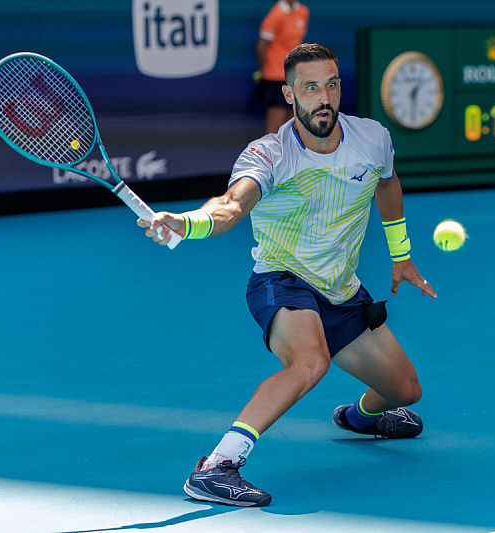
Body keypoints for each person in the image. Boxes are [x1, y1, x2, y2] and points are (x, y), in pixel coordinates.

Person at [139, 43, 437, 507]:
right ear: (290, 94)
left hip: (342, 292)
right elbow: (231, 206)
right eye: (311, 87)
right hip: (283, 280)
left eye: (332, 85)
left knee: (405, 391)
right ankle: (217, 467)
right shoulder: (269, 154)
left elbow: (387, 182)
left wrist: (401, 255)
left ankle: (358, 419)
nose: (325, 97)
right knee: (310, 362)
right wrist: (186, 224)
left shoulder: (372, 138)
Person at [255, 0, 309, 134]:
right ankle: (270, 155)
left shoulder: (303, 11)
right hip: (276, 77)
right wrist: (265, 70)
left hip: (295, 74)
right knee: (274, 130)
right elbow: (262, 46)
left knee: (293, 126)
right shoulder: (276, 15)